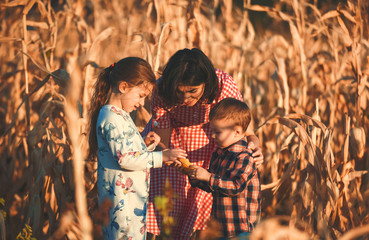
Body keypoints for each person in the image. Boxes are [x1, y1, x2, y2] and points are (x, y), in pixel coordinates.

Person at [145, 48, 263, 239]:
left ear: (206, 83)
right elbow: (162, 141)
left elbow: (243, 128)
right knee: (166, 206)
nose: (185, 99)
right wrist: (173, 158)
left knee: (205, 206)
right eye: (180, 92)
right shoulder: (162, 88)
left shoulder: (223, 85)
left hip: (213, 143)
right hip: (174, 144)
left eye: (193, 91)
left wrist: (255, 143)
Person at [87, 57, 187, 239]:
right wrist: (161, 157)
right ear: (123, 87)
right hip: (121, 205)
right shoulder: (110, 117)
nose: (142, 103)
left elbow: (126, 151)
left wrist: (145, 145)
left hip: (131, 200)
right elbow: (125, 159)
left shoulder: (121, 115)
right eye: (141, 96)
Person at [186, 97, 261, 239]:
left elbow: (235, 186)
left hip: (240, 228)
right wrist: (194, 175)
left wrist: (207, 176)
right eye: (212, 130)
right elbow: (214, 186)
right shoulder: (220, 153)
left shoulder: (245, 158)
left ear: (237, 132)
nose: (212, 136)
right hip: (221, 225)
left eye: (217, 132)